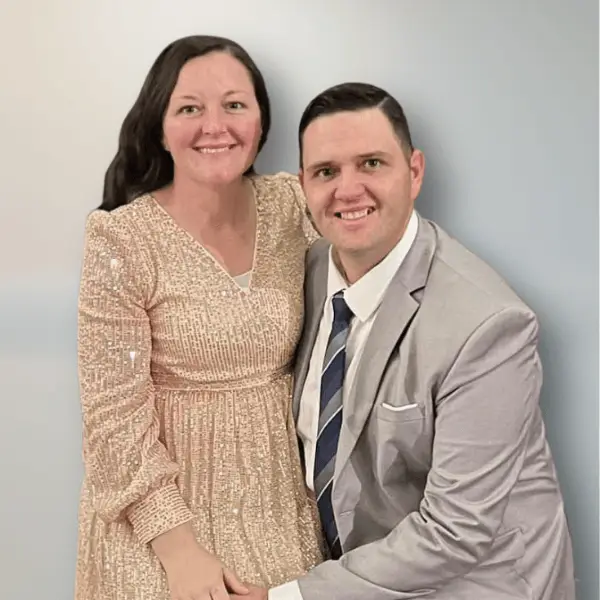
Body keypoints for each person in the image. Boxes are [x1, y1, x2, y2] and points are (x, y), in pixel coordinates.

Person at [237, 82, 576, 599]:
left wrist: (287, 597)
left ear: (414, 172)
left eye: (371, 164)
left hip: (475, 584)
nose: (348, 190)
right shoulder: (306, 273)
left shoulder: (487, 326)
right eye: (326, 172)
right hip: (352, 571)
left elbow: (453, 533)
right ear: (303, 185)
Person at [75, 35, 324, 600]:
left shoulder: (293, 205)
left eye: (234, 104)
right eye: (190, 108)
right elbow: (112, 418)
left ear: (261, 121)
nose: (216, 126)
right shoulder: (121, 239)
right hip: (155, 526)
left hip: (280, 505)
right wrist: (180, 551)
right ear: (160, 128)